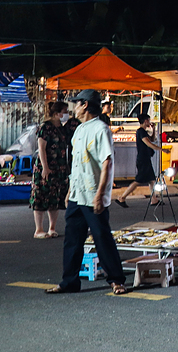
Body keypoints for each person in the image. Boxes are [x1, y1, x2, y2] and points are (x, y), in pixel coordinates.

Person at [45, 89, 127, 295]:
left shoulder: (101, 129)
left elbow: (106, 163)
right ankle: (69, 281)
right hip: (77, 194)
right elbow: (77, 165)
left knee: (101, 237)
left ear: (86, 105)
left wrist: (100, 195)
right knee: (72, 240)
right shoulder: (79, 130)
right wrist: (71, 189)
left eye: (77, 103)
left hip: (92, 195)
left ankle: (116, 279)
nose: (73, 108)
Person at [31, 101, 71, 239]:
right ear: (56, 113)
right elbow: (41, 148)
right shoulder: (45, 127)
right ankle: (39, 229)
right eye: (64, 111)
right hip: (45, 167)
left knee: (55, 197)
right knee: (41, 196)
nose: (66, 114)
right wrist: (45, 167)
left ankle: (52, 228)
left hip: (60, 167)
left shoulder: (62, 128)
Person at [115, 113, 168, 207]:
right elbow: (148, 143)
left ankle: (154, 199)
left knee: (152, 180)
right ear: (145, 121)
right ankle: (122, 197)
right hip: (143, 159)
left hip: (146, 158)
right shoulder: (140, 131)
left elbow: (151, 139)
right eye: (149, 120)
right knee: (138, 181)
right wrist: (161, 149)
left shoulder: (143, 131)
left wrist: (153, 129)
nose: (150, 122)